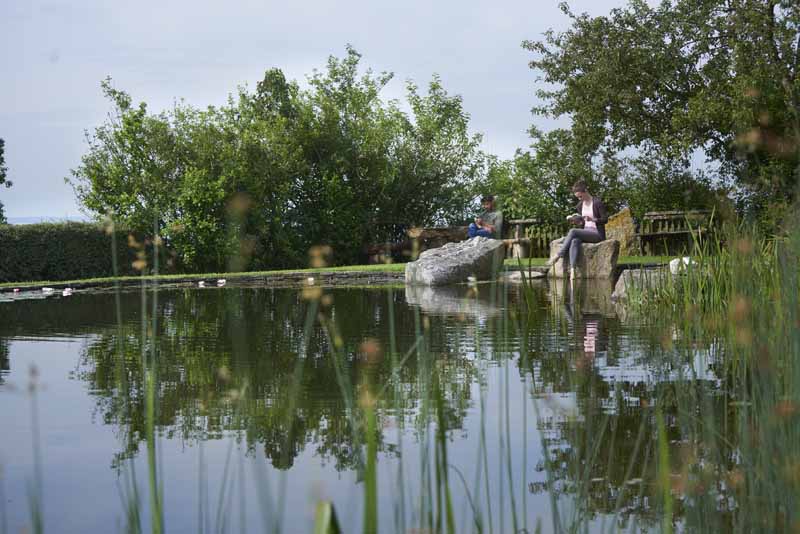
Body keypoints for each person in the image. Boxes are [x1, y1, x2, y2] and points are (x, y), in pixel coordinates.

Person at [545, 181, 608, 278]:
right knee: (574, 241)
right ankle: (573, 270)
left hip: (597, 234)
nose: (579, 199)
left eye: (580, 196)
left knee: (573, 231)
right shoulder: (580, 205)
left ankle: (558, 255)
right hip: (586, 232)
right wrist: (578, 222)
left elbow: (605, 219)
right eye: (578, 197)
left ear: (585, 191)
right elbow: (583, 223)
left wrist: (593, 219)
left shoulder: (597, 203)